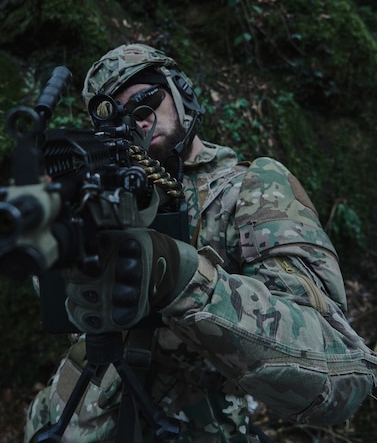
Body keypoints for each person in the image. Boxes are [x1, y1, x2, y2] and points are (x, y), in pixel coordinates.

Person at [24, 43, 377, 443]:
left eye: (145, 101)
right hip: (66, 423)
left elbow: (340, 377)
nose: (134, 122)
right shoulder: (94, 190)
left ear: (181, 94)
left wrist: (183, 277)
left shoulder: (249, 190)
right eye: (114, 114)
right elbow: (61, 307)